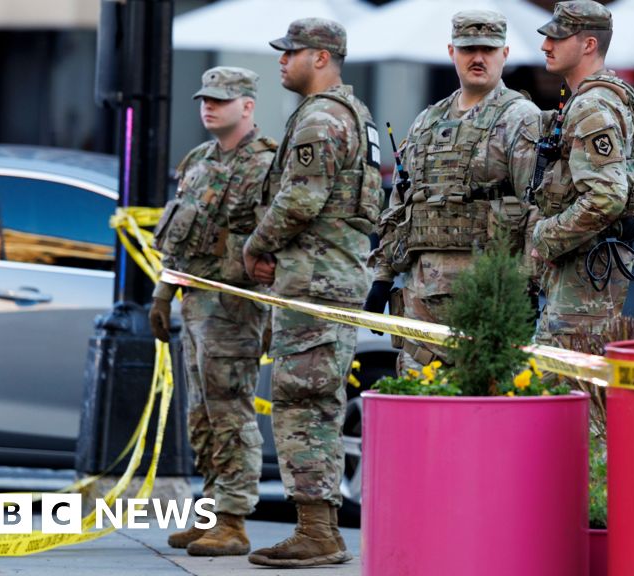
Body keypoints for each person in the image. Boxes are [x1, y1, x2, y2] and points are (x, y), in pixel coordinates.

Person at [241, 18, 381, 568]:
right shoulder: (351, 112)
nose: (282, 60)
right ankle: (317, 529)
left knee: (303, 404)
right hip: (327, 279)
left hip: (316, 283)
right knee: (316, 402)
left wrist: (256, 245)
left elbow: (300, 200)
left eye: (291, 52)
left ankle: (317, 532)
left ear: (321, 58)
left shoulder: (322, 118)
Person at [364, 9, 541, 374]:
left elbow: (537, 207)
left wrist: (528, 282)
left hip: (488, 300)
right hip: (421, 306)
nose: (478, 58)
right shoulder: (426, 121)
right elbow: (400, 204)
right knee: (419, 399)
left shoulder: (520, 118)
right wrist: (382, 278)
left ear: (505, 54)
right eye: (468, 48)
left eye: (488, 49)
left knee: (484, 400)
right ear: (451, 52)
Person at [149, 66, 276, 557]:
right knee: (200, 414)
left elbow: (276, 243)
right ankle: (209, 513)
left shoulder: (266, 165)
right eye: (206, 99)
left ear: (247, 106)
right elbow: (178, 238)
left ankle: (233, 520)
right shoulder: (199, 160)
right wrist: (163, 293)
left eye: (221, 100)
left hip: (235, 306)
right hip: (196, 306)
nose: (209, 106)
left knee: (230, 412)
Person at [530, 0, 634, 349]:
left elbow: (607, 196)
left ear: (589, 45)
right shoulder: (608, 96)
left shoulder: (592, 106)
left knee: (564, 375)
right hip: (589, 268)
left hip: (584, 274)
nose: (545, 46)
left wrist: (546, 237)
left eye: (557, 38)